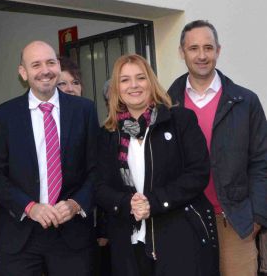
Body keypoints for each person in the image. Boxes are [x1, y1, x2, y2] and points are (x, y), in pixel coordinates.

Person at [96, 54, 218, 275]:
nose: (133, 85)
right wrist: (127, 203)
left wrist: (154, 202)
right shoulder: (108, 133)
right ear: (116, 87)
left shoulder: (181, 120)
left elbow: (198, 173)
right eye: (125, 80)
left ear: (151, 82)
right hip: (128, 242)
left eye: (140, 78)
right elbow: (100, 186)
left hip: (178, 236)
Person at [167, 19, 267, 276]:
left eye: (208, 48)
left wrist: (257, 216)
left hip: (234, 221)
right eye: (194, 48)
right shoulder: (167, 104)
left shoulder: (245, 101)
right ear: (182, 52)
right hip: (185, 222)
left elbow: (261, 161)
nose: (202, 55)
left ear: (218, 51)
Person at [0, 40, 98, 275]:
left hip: (72, 236)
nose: (45, 70)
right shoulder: (3, 115)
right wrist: (30, 207)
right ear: (23, 72)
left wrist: (75, 204)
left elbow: (96, 169)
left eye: (50, 62)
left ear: (58, 66)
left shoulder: (84, 110)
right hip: (21, 236)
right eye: (36, 64)